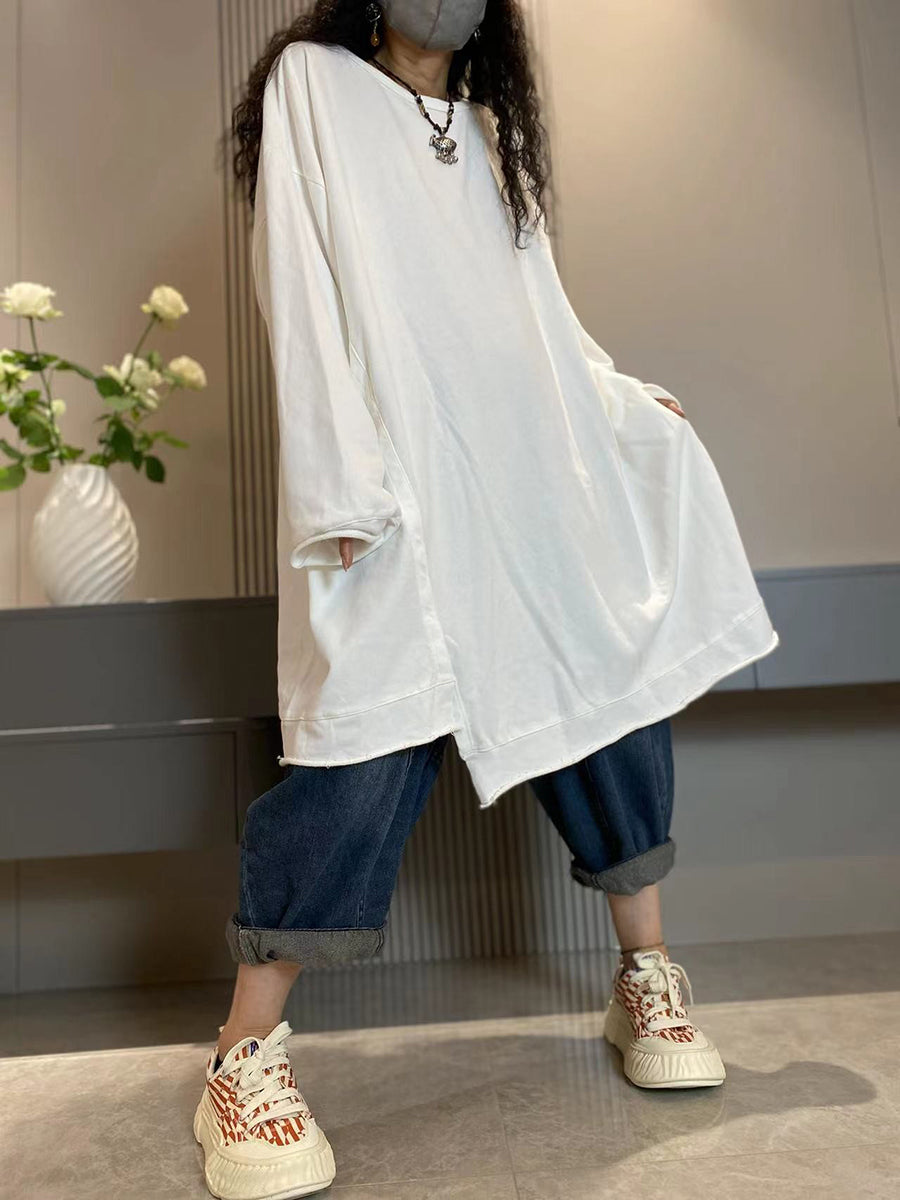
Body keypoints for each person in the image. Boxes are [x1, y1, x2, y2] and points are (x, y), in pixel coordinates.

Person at [193, 3, 780, 1197]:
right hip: (393, 478)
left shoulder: (494, 126)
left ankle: (645, 979)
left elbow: (536, 315)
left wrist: (613, 400)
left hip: (521, 471)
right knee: (360, 752)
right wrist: (335, 479)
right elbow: (296, 282)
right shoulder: (313, 84)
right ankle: (239, 1058)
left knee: (605, 687)